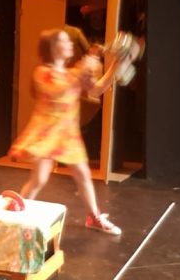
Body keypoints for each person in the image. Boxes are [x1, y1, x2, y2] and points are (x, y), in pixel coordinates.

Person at [9, 28, 127, 235]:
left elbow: (96, 89)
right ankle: (14, 216)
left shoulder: (72, 73)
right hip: (47, 132)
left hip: (67, 134)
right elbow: (58, 90)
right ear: (53, 47)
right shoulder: (42, 72)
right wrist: (89, 61)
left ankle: (94, 217)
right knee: (39, 179)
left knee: (83, 174)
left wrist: (115, 65)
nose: (70, 44)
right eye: (64, 41)